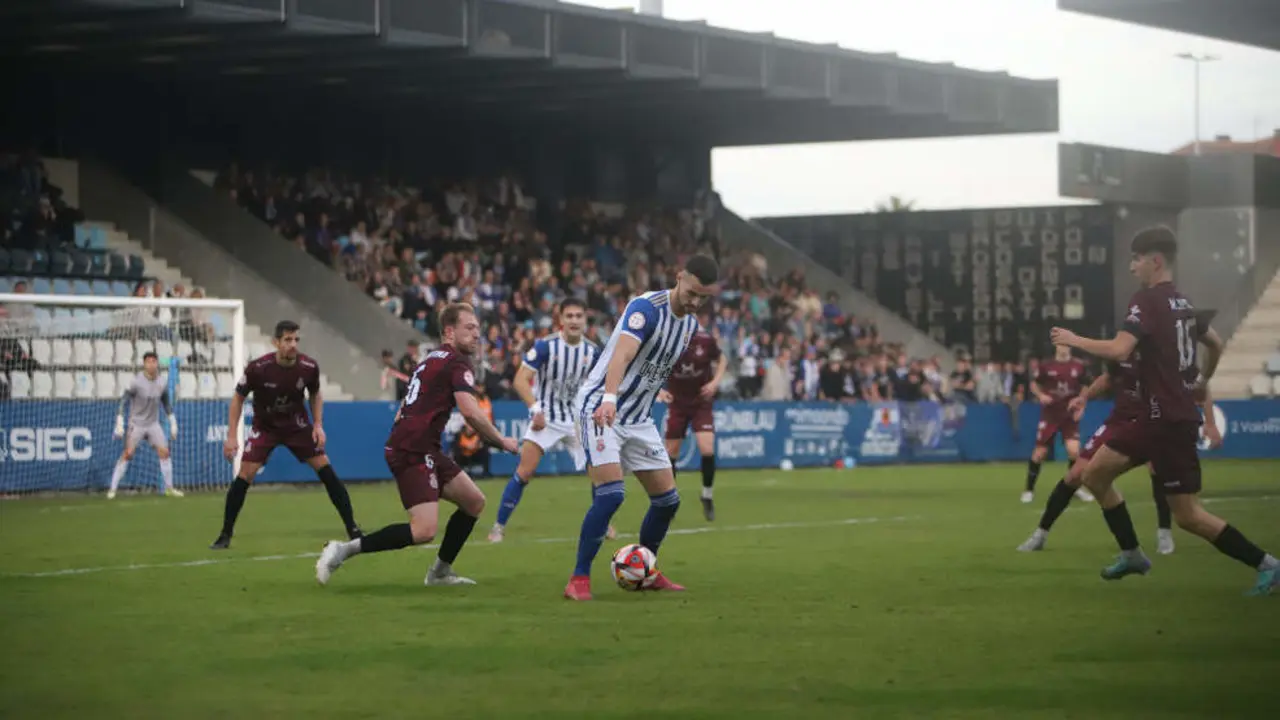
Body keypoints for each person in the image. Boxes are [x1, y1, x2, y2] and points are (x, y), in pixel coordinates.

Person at [1050, 226, 1279, 595]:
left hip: (1165, 421)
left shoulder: (1147, 301)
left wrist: (1075, 340)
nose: (1132, 267)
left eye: (1137, 259)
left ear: (1155, 261)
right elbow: (1216, 344)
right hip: (1159, 418)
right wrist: (1201, 380)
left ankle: (1267, 564)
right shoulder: (1184, 304)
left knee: (1186, 516)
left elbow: (1121, 350)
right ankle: (1133, 554)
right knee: (1093, 475)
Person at [315, 303, 518, 587]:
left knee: (474, 502)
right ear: (449, 331)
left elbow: (405, 404)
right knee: (423, 530)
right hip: (413, 449)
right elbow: (470, 411)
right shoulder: (457, 361)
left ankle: (439, 572)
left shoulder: (431, 359)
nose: (477, 334)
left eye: (478, 329)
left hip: (420, 446)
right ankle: (343, 550)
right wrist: (501, 440)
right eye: (469, 328)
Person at [564, 254, 720, 601]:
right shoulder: (646, 308)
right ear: (679, 276)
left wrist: (655, 389)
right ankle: (578, 579)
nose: (695, 302)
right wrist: (609, 397)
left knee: (668, 500)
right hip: (600, 407)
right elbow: (621, 355)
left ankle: (645, 571)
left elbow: (653, 364)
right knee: (612, 493)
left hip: (638, 417)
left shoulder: (691, 327)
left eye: (703, 298)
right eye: (692, 292)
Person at [1016, 355, 1222, 555]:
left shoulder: (1167, 347)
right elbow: (1108, 378)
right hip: (1119, 421)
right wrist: (1084, 398)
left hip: (1153, 421)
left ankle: (1163, 533)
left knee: (1156, 471)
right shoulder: (1123, 348)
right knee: (1075, 474)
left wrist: (1210, 422)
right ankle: (1040, 534)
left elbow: (1200, 383)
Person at [211, 321, 362, 549]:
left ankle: (353, 528)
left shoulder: (308, 367)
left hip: (296, 426)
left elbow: (315, 394)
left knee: (326, 469)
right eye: (288, 340)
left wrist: (318, 425)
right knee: (245, 474)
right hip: (265, 427)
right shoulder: (258, 368)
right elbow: (238, 398)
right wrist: (232, 435)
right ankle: (225, 534)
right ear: (276, 342)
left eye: (296, 340)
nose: (293, 345)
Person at [489, 298, 601, 542]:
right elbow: (520, 380)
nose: (574, 321)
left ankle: (604, 524)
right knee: (525, 471)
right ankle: (498, 526)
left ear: (585, 320)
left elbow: (601, 385)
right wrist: (535, 409)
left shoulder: (592, 351)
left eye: (578, 316)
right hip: (546, 416)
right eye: (569, 316)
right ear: (560, 319)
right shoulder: (545, 347)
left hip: (576, 420)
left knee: (599, 472)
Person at [658, 317, 726, 521]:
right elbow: (649, 366)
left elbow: (722, 359)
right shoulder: (667, 342)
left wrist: (715, 382)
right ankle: (669, 500)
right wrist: (659, 390)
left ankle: (707, 495)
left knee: (707, 447)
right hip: (677, 403)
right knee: (671, 452)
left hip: (700, 402)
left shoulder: (705, 340)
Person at [107, 351, 183, 499]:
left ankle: (169, 488)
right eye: (148, 361)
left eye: (154, 361)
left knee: (165, 452)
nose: (151, 364)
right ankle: (112, 488)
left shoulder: (162, 382)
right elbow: (124, 400)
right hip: (136, 424)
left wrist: (172, 422)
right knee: (128, 453)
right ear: (144, 364)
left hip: (153, 424)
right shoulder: (136, 381)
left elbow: (166, 403)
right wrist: (120, 421)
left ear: (157, 364)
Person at [1022, 346, 1088, 504]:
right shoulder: (1046, 366)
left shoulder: (1079, 366)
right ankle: (1029, 490)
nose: (1063, 348)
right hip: (1050, 414)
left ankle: (1075, 488)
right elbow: (1034, 385)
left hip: (1069, 415)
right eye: (1060, 344)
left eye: (1065, 344)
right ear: (1056, 347)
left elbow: (1086, 386)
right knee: (1039, 454)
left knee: (1074, 451)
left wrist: (1082, 405)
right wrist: (1041, 395)